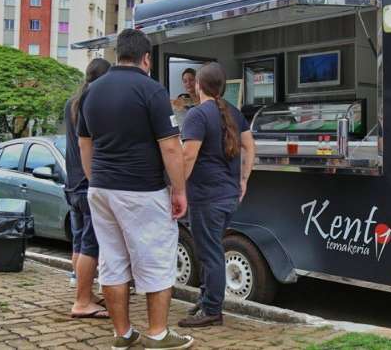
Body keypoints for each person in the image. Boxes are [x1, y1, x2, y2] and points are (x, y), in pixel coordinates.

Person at [78, 29, 194, 350]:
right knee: (156, 259)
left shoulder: (92, 91)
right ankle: (157, 334)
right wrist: (179, 191)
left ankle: (124, 334)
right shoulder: (152, 90)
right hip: (142, 189)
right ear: (146, 59)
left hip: (101, 189)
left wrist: (95, 179)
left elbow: (84, 144)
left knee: (113, 261)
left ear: (118, 54)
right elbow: (171, 147)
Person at [178, 62, 255, 328]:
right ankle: (206, 297)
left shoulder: (197, 115)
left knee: (209, 253)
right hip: (228, 196)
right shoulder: (233, 111)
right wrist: (243, 180)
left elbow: (188, 156)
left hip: (206, 197)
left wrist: (177, 189)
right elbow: (249, 146)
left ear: (199, 86)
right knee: (210, 250)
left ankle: (212, 310)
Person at [65, 58, 111, 319]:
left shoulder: (71, 103)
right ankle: (82, 301)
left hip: (71, 184)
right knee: (90, 245)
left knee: (79, 242)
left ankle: (84, 293)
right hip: (86, 183)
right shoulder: (91, 105)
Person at [172, 68, 199, 134]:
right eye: (185, 81)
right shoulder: (181, 98)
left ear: (197, 81)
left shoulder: (203, 99)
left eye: (191, 80)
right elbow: (175, 119)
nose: (188, 83)